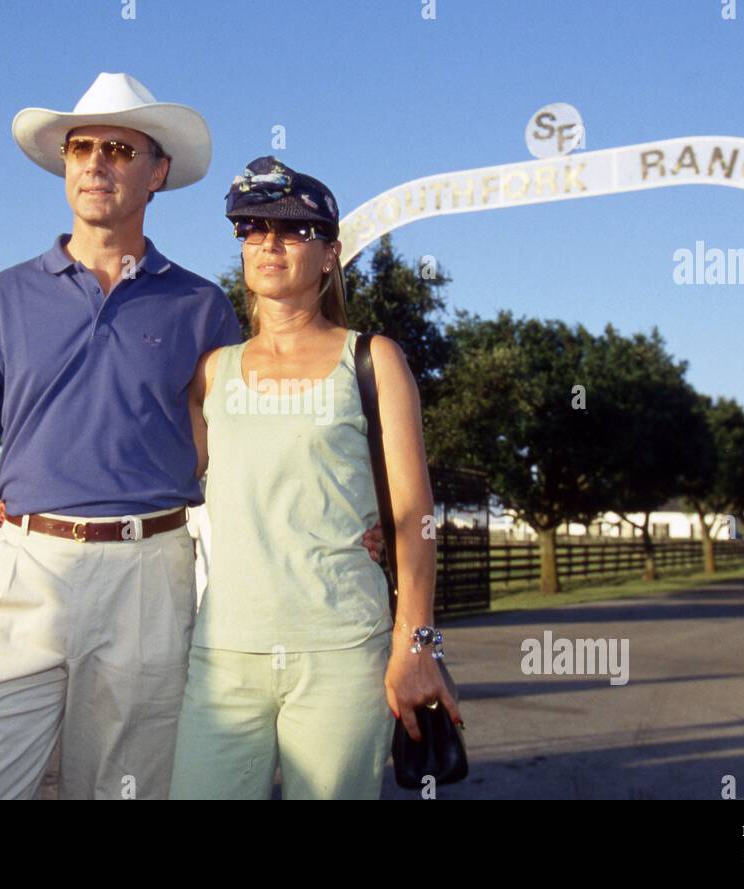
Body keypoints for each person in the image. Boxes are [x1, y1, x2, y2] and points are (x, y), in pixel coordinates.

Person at [0, 73, 380, 800]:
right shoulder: (0, 299)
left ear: (156, 172)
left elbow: (275, 429)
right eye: (82, 147)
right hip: (23, 570)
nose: (96, 162)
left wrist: (354, 519)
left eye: (119, 150)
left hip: (150, 576)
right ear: (66, 165)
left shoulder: (202, 308)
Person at [167, 157, 462, 799]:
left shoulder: (373, 359)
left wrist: (416, 641)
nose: (269, 242)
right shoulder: (212, 371)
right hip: (223, 656)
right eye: (253, 228)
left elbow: (413, 515)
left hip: (342, 651)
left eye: (293, 230)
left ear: (330, 255)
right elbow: (161, 482)